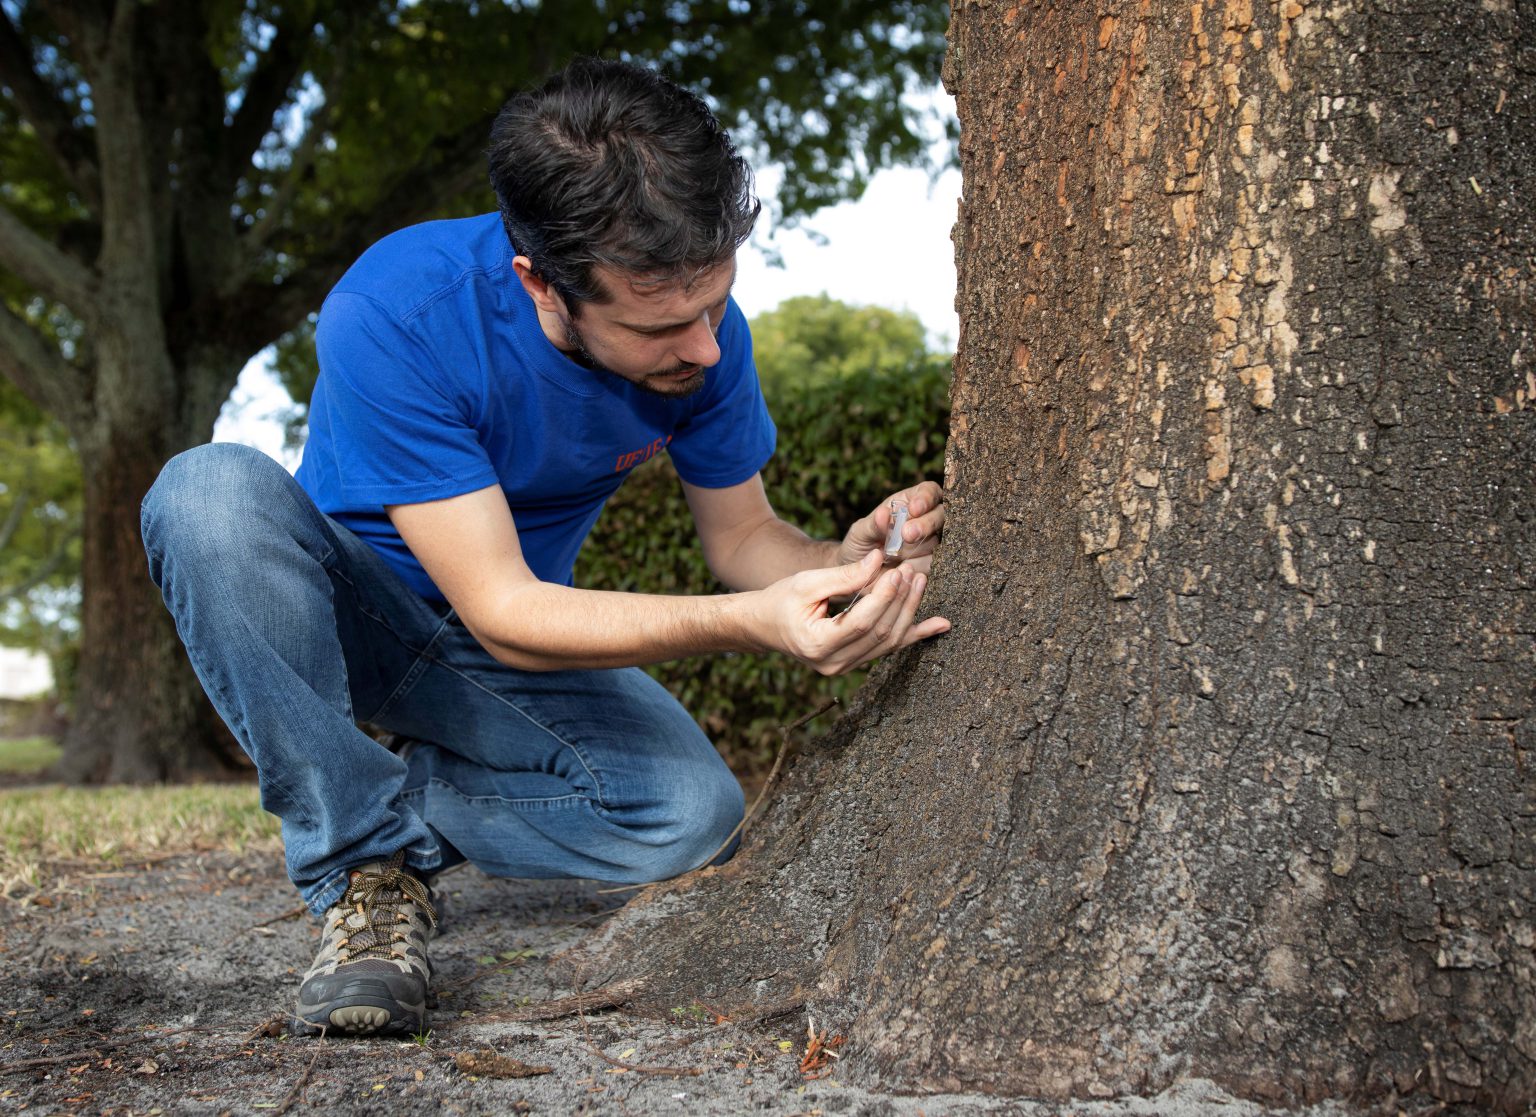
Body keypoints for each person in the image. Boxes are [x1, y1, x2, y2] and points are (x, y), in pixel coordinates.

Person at [140, 57, 949, 1039]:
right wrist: (750, 627)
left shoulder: (704, 337)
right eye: (660, 323)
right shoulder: (400, 309)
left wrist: (842, 556)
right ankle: (360, 864)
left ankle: (409, 818)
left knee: (690, 813)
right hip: (361, 620)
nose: (704, 347)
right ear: (541, 285)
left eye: (713, 304)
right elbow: (506, 610)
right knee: (207, 490)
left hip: (496, 647)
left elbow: (744, 539)